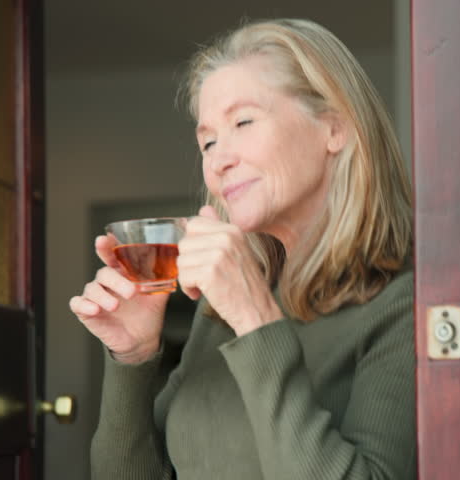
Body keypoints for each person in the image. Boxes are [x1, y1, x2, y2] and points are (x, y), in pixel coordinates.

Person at [69, 18, 416, 480]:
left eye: (243, 122)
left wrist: (255, 320)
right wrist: (133, 358)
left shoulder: (408, 304)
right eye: (208, 140)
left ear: (335, 129)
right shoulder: (222, 307)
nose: (218, 159)